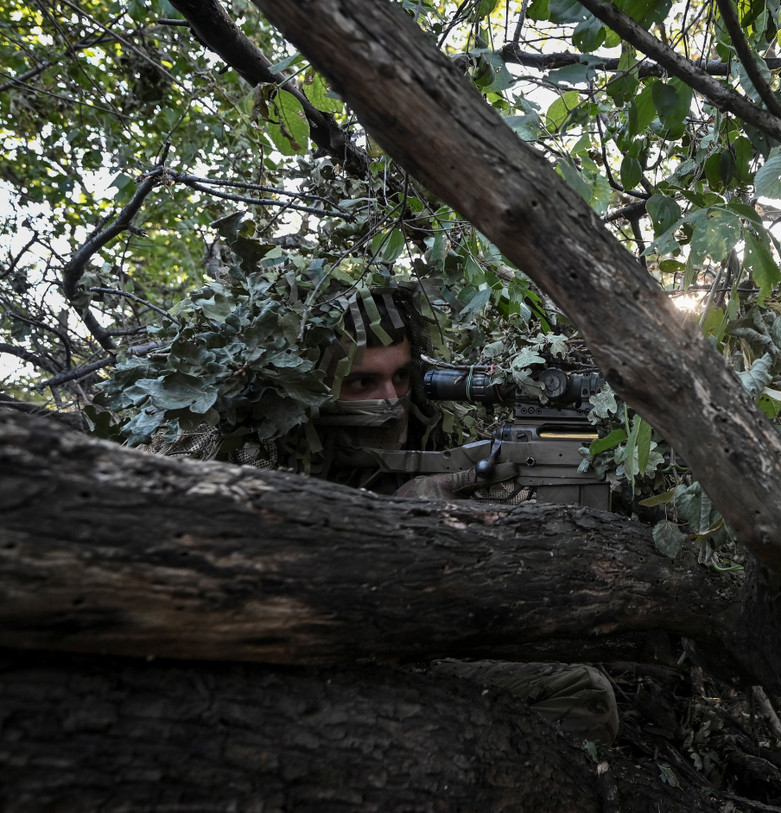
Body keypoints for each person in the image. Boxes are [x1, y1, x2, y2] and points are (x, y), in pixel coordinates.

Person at [157, 282, 619, 744]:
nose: (393, 401)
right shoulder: (233, 456)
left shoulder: (424, 439)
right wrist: (391, 530)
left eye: (401, 377)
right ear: (303, 385)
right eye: (362, 383)